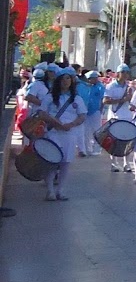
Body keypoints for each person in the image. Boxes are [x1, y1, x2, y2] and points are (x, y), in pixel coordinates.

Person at [40, 68, 87, 201]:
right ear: (58, 81)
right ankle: (50, 191)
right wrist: (54, 122)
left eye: (68, 78)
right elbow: (42, 113)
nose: (66, 81)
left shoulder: (76, 98)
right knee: (52, 162)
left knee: (65, 162)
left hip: (69, 133)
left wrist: (71, 125)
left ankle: (60, 190)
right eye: (63, 78)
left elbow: (82, 116)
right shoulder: (50, 97)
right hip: (53, 132)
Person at [102, 64, 134, 172]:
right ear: (118, 73)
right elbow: (105, 101)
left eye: (127, 72)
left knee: (127, 139)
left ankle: (126, 163)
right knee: (114, 140)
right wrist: (121, 100)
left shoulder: (129, 87)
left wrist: (129, 98)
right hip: (114, 116)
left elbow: (132, 102)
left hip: (127, 116)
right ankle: (114, 163)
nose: (125, 74)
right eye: (123, 72)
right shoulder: (111, 86)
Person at [81, 70, 104, 155]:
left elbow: (102, 100)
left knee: (96, 130)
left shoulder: (100, 87)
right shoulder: (88, 87)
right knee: (86, 131)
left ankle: (97, 149)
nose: (89, 80)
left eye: (90, 79)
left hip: (96, 111)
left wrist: (100, 110)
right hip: (87, 111)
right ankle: (87, 148)